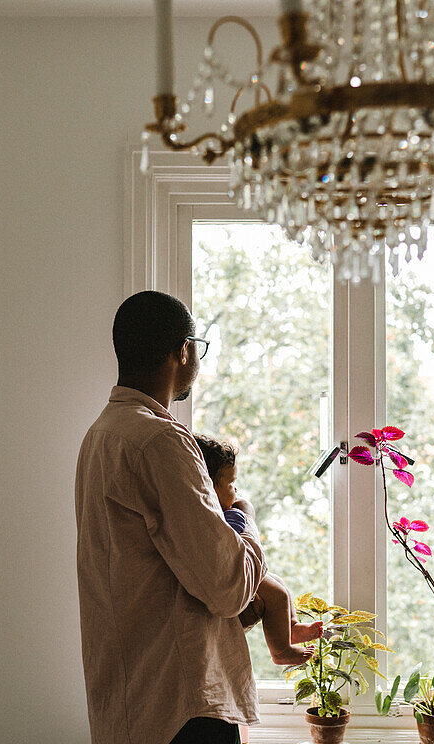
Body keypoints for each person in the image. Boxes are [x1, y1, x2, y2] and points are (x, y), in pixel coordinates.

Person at [75, 290, 267, 744]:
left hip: (128, 701)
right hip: (181, 708)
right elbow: (227, 587)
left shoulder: (100, 435)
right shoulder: (160, 441)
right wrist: (245, 516)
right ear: (183, 350)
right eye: (197, 348)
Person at [194, 435, 323, 665]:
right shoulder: (227, 516)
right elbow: (234, 547)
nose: (236, 491)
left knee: (279, 583)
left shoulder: (204, 514)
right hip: (231, 572)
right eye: (232, 485)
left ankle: (291, 626)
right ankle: (281, 650)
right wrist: (244, 513)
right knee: (277, 594)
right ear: (211, 487)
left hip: (231, 571)